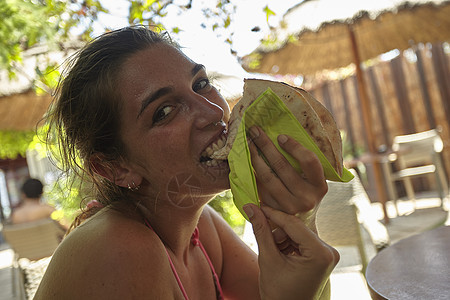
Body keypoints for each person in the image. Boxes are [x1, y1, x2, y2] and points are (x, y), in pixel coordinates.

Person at [34, 26, 339, 299]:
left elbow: (290, 288)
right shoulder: (118, 248)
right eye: (164, 112)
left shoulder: (201, 228)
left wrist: (300, 224)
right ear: (116, 168)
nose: (213, 112)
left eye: (201, 83)